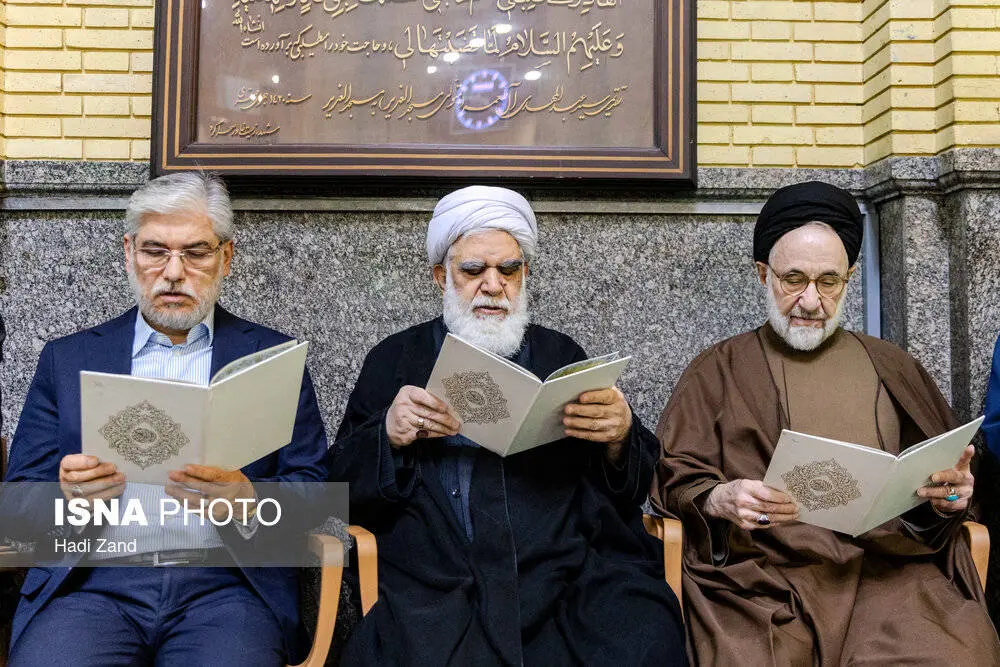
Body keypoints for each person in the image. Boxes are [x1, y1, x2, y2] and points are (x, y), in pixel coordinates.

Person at [328, 186, 685, 666]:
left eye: (509, 270)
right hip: (440, 577)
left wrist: (620, 436)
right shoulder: (395, 359)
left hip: (563, 570)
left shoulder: (561, 354)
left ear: (524, 274)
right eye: (474, 270)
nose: (493, 285)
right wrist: (388, 436)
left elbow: (628, 488)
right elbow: (338, 487)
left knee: (644, 633)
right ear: (442, 277)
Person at [652, 180, 1000, 665]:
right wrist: (719, 497)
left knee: (953, 652)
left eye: (829, 282)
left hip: (888, 572)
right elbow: (674, 478)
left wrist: (950, 499)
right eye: (794, 279)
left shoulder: (892, 365)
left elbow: (947, 485)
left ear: (849, 278)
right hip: (759, 580)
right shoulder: (718, 369)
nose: (812, 301)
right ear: (763, 274)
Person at [4, 172, 328, 667]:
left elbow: (314, 496)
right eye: (156, 251)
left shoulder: (272, 358)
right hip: (93, 584)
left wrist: (249, 499)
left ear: (226, 257)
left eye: (196, 252)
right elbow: (19, 502)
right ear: (129, 252)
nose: (174, 272)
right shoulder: (68, 359)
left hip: (225, 590)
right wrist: (65, 496)